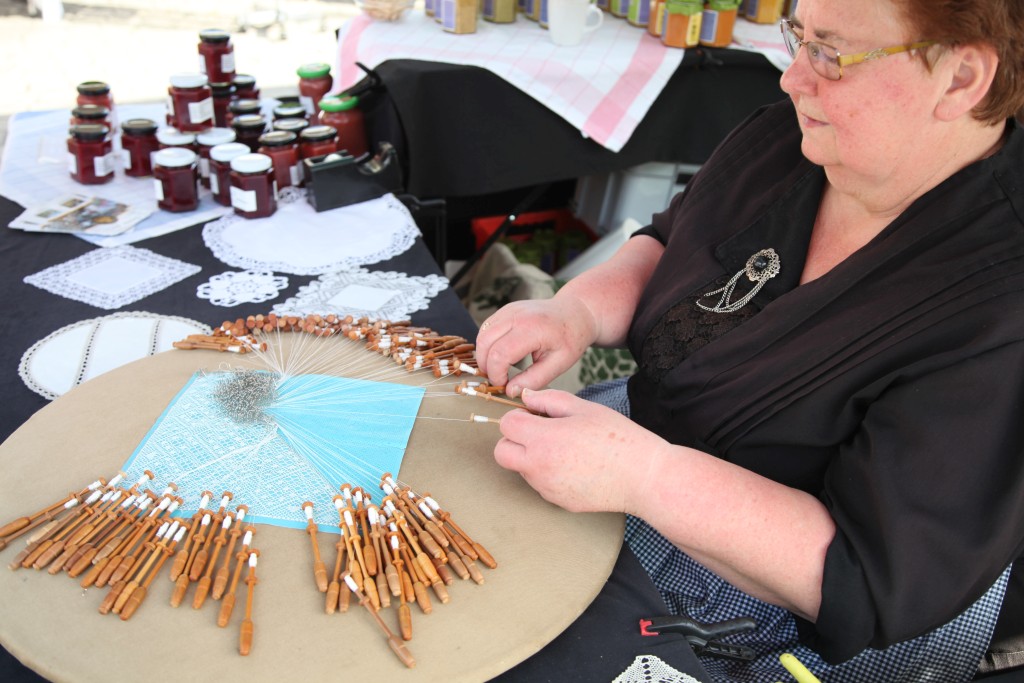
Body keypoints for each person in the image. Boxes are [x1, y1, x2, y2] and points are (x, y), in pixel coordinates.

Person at [475, 0, 1024, 681]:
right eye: (799, 36)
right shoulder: (792, 139)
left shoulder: (999, 305)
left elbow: (862, 574)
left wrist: (646, 476)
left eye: (831, 53)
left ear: (961, 78)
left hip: (771, 608)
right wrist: (576, 311)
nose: (794, 78)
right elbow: (672, 241)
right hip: (630, 455)